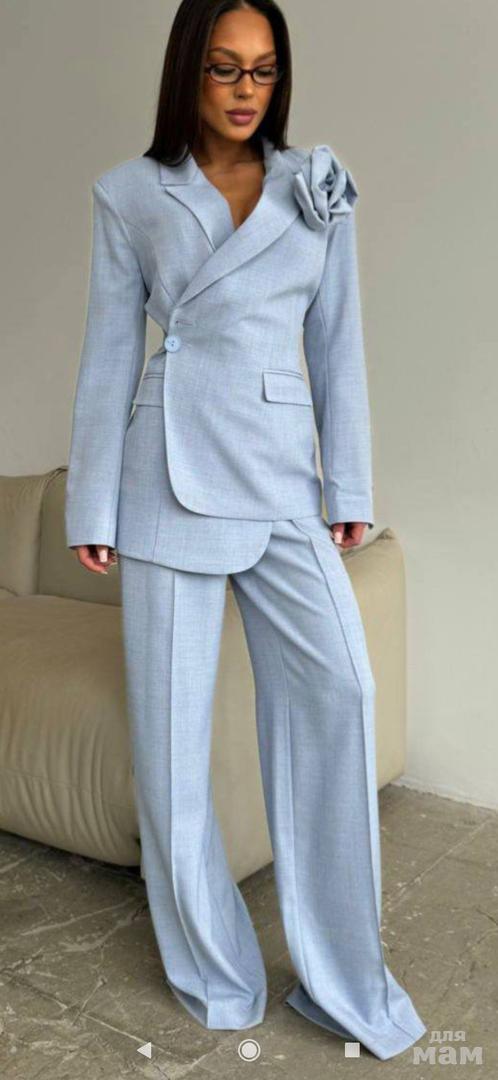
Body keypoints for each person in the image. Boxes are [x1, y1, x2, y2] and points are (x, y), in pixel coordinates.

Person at [64, 0, 427, 1060]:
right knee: (171, 751)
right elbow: (106, 352)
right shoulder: (130, 194)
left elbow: (338, 342)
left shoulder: (316, 185)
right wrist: (92, 503)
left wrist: (347, 483)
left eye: (263, 71)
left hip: (277, 478)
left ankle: (343, 979)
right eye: (224, 67)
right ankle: (215, 976)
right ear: (189, 71)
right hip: (163, 473)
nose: (244, 90)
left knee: (340, 693)